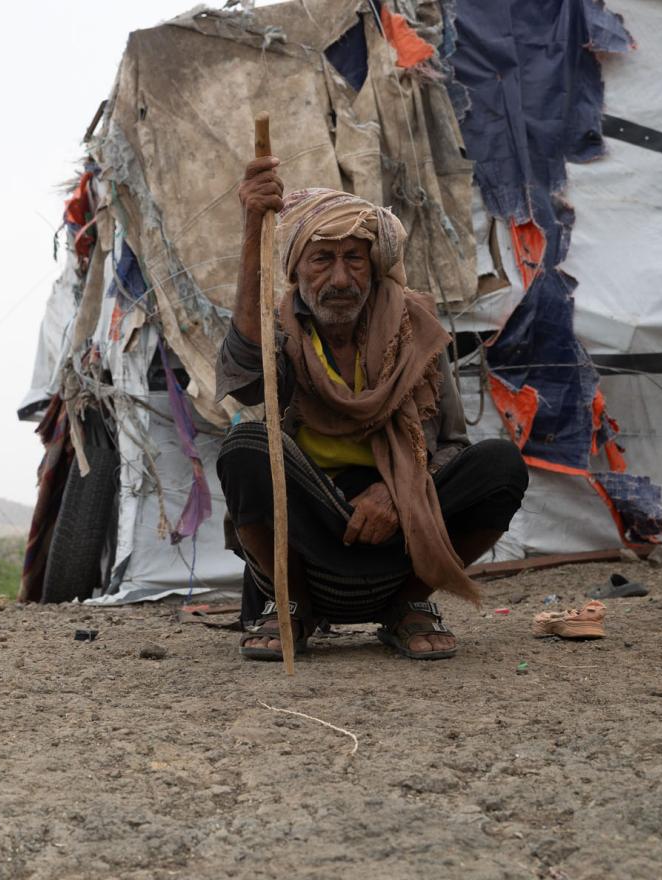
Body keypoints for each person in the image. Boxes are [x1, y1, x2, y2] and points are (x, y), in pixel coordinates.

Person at [215, 155, 528, 661]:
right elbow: (247, 378)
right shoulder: (279, 334)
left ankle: (408, 605)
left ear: (374, 265)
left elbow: (451, 445)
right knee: (245, 446)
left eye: (354, 259)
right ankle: (291, 602)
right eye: (322, 260)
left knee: (499, 465)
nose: (340, 279)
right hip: (312, 520)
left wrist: (395, 492)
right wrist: (254, 225)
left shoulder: (416, 333)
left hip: (402, 522)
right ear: (295, 268)